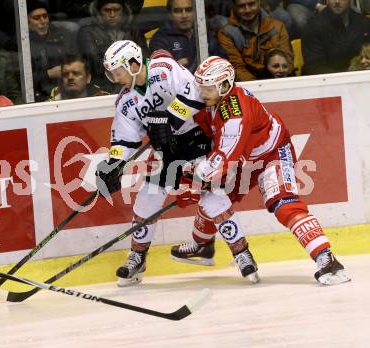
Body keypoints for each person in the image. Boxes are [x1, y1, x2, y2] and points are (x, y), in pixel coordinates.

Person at [170, 56, 350, 286]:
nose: (202, 93)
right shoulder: (214, 97)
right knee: (213, 196)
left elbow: (224, 159)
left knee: (284, 204)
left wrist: (194, 180)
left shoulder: (236, 113)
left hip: (271, 153)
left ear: (224, 85)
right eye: (200, 87)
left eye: (207, 88)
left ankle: (326, 259)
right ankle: (203, 245)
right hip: (243, 156)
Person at [95, 40, 216, 287]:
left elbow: (195, 93)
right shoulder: (126, 100)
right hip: (166, 149)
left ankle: (224, 247)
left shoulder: (163, 68)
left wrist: (168, 122)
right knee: (148, 196)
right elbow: (123, 137)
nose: (115, 78)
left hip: (196, 137)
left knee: (211, 192)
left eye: (117, 71)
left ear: (132, 63)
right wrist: (113, 163)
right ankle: (137, 257)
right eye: (112, 73)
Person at [77, 0, 148, 93]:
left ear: (123, 11)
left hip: (135, 82)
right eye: (107, 10)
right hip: (103, 87)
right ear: (98, 12)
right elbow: (96, 66)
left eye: (117, 10)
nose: (112, 14)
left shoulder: (133, 30)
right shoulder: (87, 32)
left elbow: (144, 57)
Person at [217, 0, 294, 81]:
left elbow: (287, 61)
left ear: (259, 2)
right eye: (241, 6)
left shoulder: (277, 26)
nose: (248, 10)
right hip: (249, 85)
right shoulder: (226, 33)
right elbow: (237, 68)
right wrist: (258, 88)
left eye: (251, 4)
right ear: (234, 7)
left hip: (278, 81)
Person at [26, 0, 77, 101]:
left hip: (67, 90)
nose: (43, 21)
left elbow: (77, 61)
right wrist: (48, 74)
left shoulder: (63, 35)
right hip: (39, 96)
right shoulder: (21, 43)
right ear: (26, 21)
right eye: (37, 18)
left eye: (45, 16)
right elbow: (23, 81)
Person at [302, 0, 370, 75]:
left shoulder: (364, 23)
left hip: (360, 79)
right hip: (324, 82)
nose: (337, 1)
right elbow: (314, 67)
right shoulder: (312, 26)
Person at [149, 0, 198, 72]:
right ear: (170, 15)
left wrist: (187, 60)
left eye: (189, 10)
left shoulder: (203, 32)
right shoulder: (159, 39)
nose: (184, 15)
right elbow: (165, 72)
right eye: (178, 11)